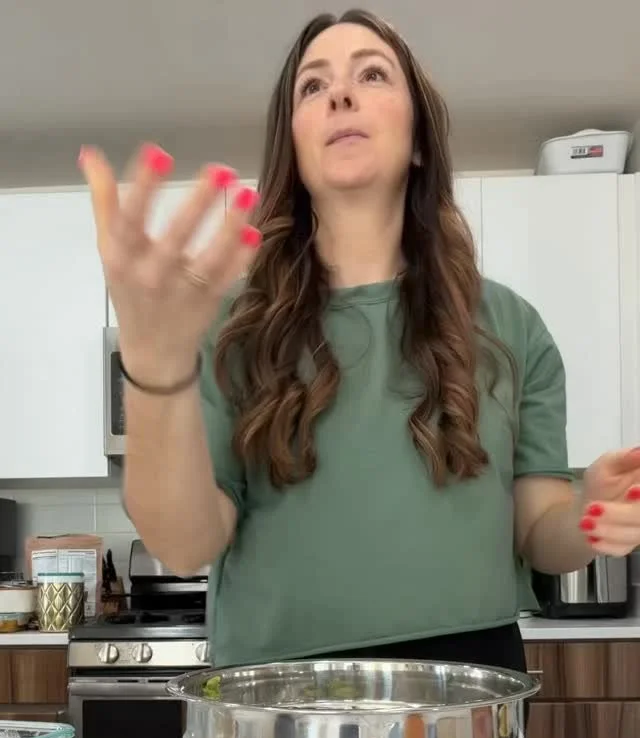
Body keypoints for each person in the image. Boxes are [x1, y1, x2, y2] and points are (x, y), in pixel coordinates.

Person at [80, 9, 640, 678]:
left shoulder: (514, 327)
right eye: (313, 86)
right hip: (272, 690)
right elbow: (182, 543)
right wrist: (154, 368)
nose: (340, 94)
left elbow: (537, 529)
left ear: (420, 141)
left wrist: (587, 516)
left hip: (467, 687)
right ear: (293, 148)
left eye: (371, 75)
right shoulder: (231, 326)